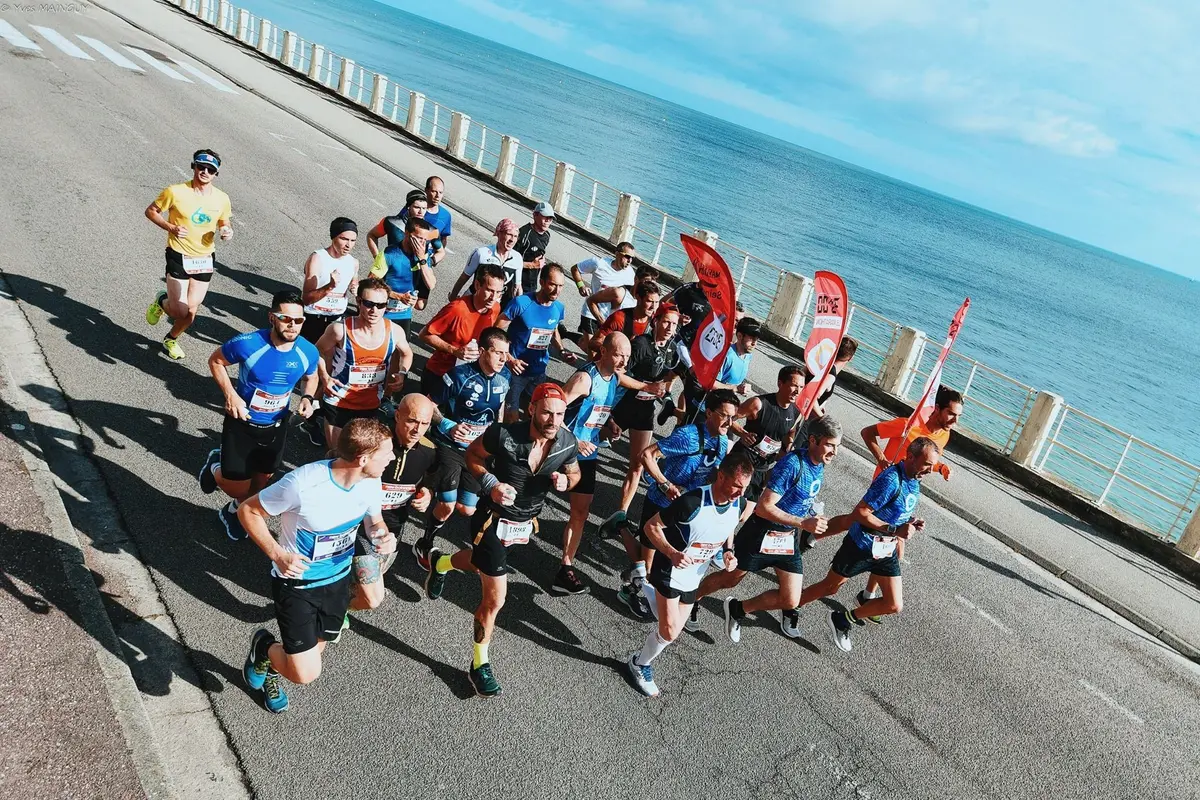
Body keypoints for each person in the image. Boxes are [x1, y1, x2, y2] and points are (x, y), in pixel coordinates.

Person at [423, 383, 580, 698]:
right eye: (547, 412)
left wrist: (566, 480)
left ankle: (439, 563)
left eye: (560, 414)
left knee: (480, 563)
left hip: (523, 523)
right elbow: (473, 455)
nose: (553, 420)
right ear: (532, 409)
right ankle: (479, 664)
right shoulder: (503, 435)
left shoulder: (567, 443)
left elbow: (574, 473)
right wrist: (491, 483)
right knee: (495, 599)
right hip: (492, 519)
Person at [240, 419, 395, 713]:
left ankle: (274, 668)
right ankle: (264, 648)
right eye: (385, 453)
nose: (392, 458)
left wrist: (381, 535)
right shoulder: (302, 484)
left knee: (316, 649)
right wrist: (276, 553)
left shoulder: (372, 482)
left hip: (338, 581)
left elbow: (374, 521)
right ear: (363, 459)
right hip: (298, 585)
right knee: (305, 674)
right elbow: (248, 510)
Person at [695, 416, 841, 642]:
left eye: (837, 446)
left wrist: (811, 512)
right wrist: (803, 523)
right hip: (761, 532)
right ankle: (691, 599)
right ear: (813, 440)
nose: (835, 452)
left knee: (791, 599)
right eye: (831, 445)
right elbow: (763, 508)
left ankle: (738, 609)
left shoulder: (819, 464)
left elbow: (797, 494)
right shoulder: (793, 464)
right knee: (729, 579)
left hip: (787, 537)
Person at [791, 437, 937, 652]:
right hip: (861, 545)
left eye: (933, 466)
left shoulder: (915, 479)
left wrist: (910, 521)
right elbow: (860, 512)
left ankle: (842, 620)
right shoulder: (891, 480)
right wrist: (895, 530)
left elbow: (897, 510)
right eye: (927, 464)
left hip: (885, 550)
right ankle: (790, 604)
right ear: (910, 457)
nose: (930, 470)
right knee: (829, 588)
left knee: (894, 604)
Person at [626, 451, 753, 697]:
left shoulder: (739, 503)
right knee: (669, 631)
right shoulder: (692, 502)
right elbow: (651, 527)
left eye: (744, 488)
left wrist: (728, 551)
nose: (740, 493)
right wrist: (671, 552)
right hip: (670, 569)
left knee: (671, 625)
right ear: (721, 477)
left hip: (694, 574)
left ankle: (642, 584)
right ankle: (639, 663)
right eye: (737, 486)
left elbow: (729, 525)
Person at [199, 291, 319, 540]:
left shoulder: (307, 351)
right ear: (272, 317)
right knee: (237, 486)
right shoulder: (248, 343)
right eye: (286, 319)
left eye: (299, 321)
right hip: (242, 422)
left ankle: (234, 513)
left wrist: (307, 398)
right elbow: (216, 361)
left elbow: (311, 376)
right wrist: (230, 395)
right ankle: (214, 466)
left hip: (276, 424)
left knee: (261, 481)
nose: (293, 325)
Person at [617, 389, 739, 620]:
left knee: (667, 561)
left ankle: (624, 537)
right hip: (661, 503)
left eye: (733, 417)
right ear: (709, 412)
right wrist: (665, 485)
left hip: (687, 512)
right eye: (724, 416)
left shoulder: (723, 442)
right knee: (649, 564)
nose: (729, 422)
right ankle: (628, 588)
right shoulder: (688, 435)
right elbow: (646, 456)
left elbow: (712, 473)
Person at [412, 327, 512, 570]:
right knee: (446, 506)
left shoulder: (504, 378)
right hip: (450, 446)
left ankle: (433, 489)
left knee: (466, 509)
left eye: (506, 354)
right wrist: (448, 425)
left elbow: (497, 413)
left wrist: (497, 441)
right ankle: (425, 542)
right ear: (481, 351)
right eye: (497, 352)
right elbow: (428, 404)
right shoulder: (459, 375)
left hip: (478, 451)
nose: (502, 359)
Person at [853, 386, 961, 604]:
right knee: (869, 538)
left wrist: (940, 468)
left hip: (907, 495)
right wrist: (882, 459)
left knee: (888, 546)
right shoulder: (907, 425)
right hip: (885, 491)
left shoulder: (944, 435)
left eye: (958, 416)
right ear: (937, 408)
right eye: (951, 413)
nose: (954, 420)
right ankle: (855, 589)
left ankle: (867, 594)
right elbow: (867, 433)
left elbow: (927, 462)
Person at [596, 306, 681, 550]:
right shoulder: (641, 344)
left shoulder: (671, 349)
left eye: (673, 325)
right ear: (656, 322)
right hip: (621, 405)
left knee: (637, 464)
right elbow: (617, 375)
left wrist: (664, 387)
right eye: (665, 322)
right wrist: (645, 387)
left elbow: (668, 375)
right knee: (588, 443)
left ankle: (620, 514)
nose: (669, 328)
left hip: (644, 411)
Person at [351, 395, 440, 614]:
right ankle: (335, 613)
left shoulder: (429, 451)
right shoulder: (375, 442)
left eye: (425, 424)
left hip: (393, 525)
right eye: (412, 421)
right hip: (358, 521)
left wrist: (427, 492)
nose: (417, 430)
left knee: (377, 572)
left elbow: (430, 477)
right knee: (369, 588)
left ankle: (344, 601)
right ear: (397, 415)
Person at [557, 331, 630, 594]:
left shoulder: (614, 381)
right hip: (561, 448)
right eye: (620, 354)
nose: (624, 360)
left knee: (581, 510)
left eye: (627, 356)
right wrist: (574, 439)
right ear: (605, 352)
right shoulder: (584, 378)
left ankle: (566, 567)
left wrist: (608, 424)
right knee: (529, 502)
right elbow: (554, 409)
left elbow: (597, 409)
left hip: (588, 453)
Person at [144, 149, 233, 360]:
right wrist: (170, 227)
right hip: (178, 253)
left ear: (215, 174)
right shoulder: (175, 191)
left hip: (204, 258)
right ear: (193, 166)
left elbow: (224, 221)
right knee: (179, 311)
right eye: (201, 166)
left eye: (210, 169)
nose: (205, 171)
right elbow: (151, 211)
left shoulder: (222, 198)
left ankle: (171, 338)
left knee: (191, 310)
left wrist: (226, 230)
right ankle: (162, 301)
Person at [315, 278, 412, 452]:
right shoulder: (340, 330)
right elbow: (318, 352)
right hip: (339, 401)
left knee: (361, 455)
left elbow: (407, 353)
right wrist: (325, 377)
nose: (374, 310)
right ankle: (315, 420)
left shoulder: (395, 331)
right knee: (338, 454)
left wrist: (403, 373)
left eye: (381, 305)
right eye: (369, 304)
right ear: (358, 302)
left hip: (370, 404)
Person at [497, 263, 578, 421]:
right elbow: (496, 331)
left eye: (561, 286)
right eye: (552, 285)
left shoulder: (559, 308)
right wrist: (509, 358)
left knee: (535, 417)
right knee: (511, 417)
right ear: (542, 282)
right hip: (515, 372)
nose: (557, 291)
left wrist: (561, 351)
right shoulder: (522, 303)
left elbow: (553, 330)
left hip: (539, 372)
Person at [418, 263, 505, 401]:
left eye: (499, 292)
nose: (493, 297)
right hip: (440, 375)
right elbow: (424, 334)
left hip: (467, 378)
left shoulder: (495, 308)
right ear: (477, 285)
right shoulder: (456, 309)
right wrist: (454, 351)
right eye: (489, 290)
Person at [729, 364, 804, 521]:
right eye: (794, 385)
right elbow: (729, 418)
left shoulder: (796, 414)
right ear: (780, 383)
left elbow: (789, 433)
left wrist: (788, 445)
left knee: (743, 517)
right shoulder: (758, 404)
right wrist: (742, 433)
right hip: (742, 460)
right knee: (729, 506)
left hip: (762, 468)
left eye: (801, 387)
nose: (797, 391)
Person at [672, 317, 760, 427]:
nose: (754, 343)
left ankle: (671, 410)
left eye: (756, 340)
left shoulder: (748, 356)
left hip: (724, 409)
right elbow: (711, 384)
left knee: (724, 443)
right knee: (687, 439)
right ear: (739, 336)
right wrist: (735, 388)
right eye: (751, 339)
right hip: (706, 406)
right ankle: (671, 410)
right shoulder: (726, 355)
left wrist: (741, 387)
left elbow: (733, 382)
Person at [372, 217, 439, 338]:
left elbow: (431, 284)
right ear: (407, 233)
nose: (421, 244)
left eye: (424, 240)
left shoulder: (424, 257)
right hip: (383, 311)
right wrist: (398, 296)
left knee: (403, 353)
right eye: (418, 238)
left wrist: (422, 259)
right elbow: (371, 282)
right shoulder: (390, 253)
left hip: (404, 314)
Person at [300, 218, 360, 345]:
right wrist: (330, 286)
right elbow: (306, 298)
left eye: (353, 240)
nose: (349, 245)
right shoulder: (318, 258)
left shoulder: (353, 262)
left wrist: (356, 288)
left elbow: (354, 284)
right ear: (333, 237)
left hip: (336, 320)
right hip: (314, 318)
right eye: (344, 239)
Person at [571, 242, 637, 354]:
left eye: (632, 258)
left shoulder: (630, 273)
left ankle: (565, 333)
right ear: (617, 254)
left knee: (600, 350)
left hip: (610, 319)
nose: (629, 261)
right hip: (591, 313)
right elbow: (575, 269)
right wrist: (581, 286)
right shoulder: (598, 263)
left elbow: (631, 297)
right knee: (593, 352)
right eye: (627, 256)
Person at [448, 218, 522, 304]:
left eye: (515, 236)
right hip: (474, 300)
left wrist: (518, 308)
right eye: (509, 234)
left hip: (497, 306)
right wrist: (453, 296)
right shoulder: (481, 253)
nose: (512, 240)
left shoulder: (517, 258)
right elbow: (464, 277)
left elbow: (517, 287)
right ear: (499, 233)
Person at [589, 279, 662, 360]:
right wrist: (615, 351)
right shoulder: (619, 318)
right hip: (604, 367)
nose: (653, 307)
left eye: (656, 302)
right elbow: (593, 343)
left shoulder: (655, 321)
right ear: (638, 298)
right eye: (649, 301)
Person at [516, 202, 554, 296]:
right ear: (535, 215)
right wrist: (532, 265)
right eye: (545, 217)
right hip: (517, 283)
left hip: (532, 286)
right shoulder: (524, 233)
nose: (547, 221)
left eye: (550, 218)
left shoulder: (547, 236)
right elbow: (509, 259)